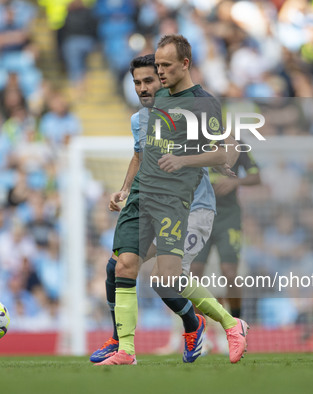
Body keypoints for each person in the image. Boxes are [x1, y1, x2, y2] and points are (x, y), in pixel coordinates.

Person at [96, 35, 247, 366]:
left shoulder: (199, 103)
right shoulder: (154, 104)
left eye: (161, 69)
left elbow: (229, 147)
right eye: (151, 72)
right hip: (142, 198)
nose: (151, 81)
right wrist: (124, 189)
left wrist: (207, 158)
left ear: (183, 65)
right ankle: (125, 348)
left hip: (182, 204)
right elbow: (142, 152)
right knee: (121, 265)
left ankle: (227, 322)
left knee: (168, 279)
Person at [191, 145, 261, 321]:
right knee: (193, 273)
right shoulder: (192, 141)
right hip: (198, 215)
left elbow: (256, 177)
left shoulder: (237, 144)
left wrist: (235, 182)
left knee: (230, 273)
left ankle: (235, 324)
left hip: (228, 217)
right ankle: (198, 329)